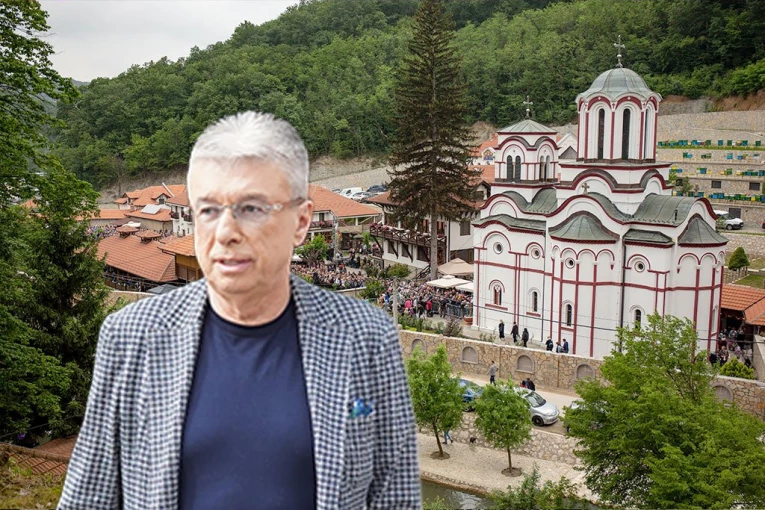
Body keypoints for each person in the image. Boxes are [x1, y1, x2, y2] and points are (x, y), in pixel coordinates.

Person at [58, 112, 421, 509]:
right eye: (208, 210)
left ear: (301, 221)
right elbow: (88, 499)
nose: (226, 232)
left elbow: (396, 499)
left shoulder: (368, 337)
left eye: (252, 208)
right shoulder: (130, 337)